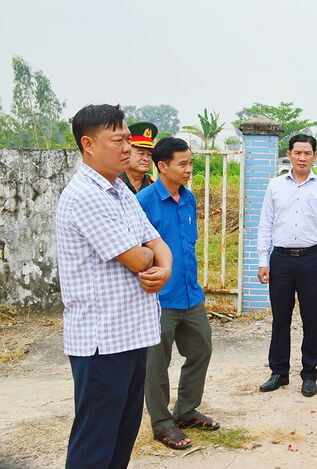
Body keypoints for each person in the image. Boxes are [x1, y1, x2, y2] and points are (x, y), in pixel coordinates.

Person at [56, 104, 172, 468]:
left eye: (127, 140)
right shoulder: (84, 196)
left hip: (131, 333)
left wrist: (165, 269)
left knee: (122, 437)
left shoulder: (119, 191)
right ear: (88, 144)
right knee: (95, 443)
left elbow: (157, 243)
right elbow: (138, 258)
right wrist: (154, 258)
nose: (127, 148)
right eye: (118, 140)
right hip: (101, 341)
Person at [137, 137, 219, 450]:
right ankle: (161, 423)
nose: (189, 169)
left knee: (201, 349)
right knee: (157, 364)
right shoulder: (144, 202)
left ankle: (185, 410)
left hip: (190, 295)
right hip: (158, 299)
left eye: (190, 163)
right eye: (182, 164)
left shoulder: (188, 199)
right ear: (162, 166)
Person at [257, 134, 317, 397]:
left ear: (315, 156)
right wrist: (262, 260)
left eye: (308, 153)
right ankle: (279, 372)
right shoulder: (275, 186)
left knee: (311, 318)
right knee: (280, 317)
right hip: (280, 260)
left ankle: (309, 373)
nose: (302, 158)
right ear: (289, 154)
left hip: (311, 260)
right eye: (298, 152)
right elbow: (265, 223)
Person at [119, 121, 157, 193]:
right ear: (126, 152)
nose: (146, 159)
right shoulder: (114, 182)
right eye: (141, 153)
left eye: (149, 154)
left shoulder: (155, 185)